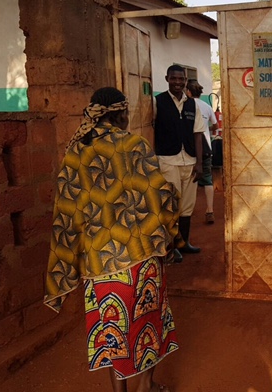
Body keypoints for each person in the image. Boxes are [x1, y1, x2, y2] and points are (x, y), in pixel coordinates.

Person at [44, 87, 179, 392]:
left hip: (98, 263)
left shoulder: (75, 152)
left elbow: (66, 213)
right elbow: (157, 198)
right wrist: (170, 224)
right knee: (147, 325)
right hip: (138, 257)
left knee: (111, 333)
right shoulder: (134, 145)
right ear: (121, 113)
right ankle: (146, 387)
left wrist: (71, 261)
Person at [154, 64, 207, 259]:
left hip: (189, 162)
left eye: (181, 79)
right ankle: (171, 247)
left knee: (187, 205)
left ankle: (185, 242)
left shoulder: (193, 104)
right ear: (167, 78)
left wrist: (199, 163)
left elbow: (198, 134)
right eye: (174, 78)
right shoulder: (157, 102)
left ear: (186, 80)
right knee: (170, 204)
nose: (178, 82)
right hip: (168, 160)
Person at [186, 79, 218, 224]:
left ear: (188, 92)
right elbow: (215, 125)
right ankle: (210, 210)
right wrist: (208, 131)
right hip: (205, 147)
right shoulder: (206, 106)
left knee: (188, 181)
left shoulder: (186, 106)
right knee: (207, 180)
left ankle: (187, 211)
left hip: (189, 147)